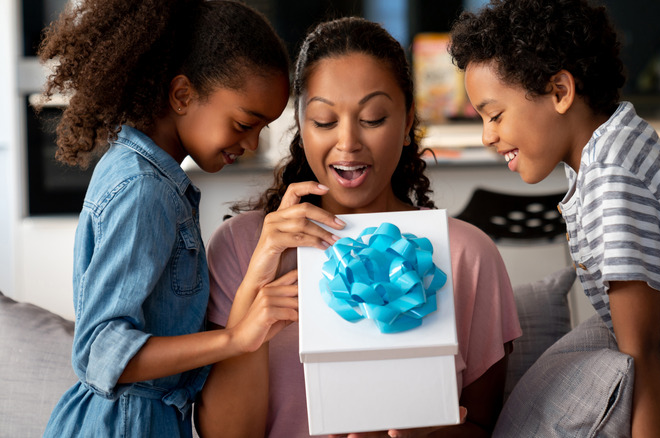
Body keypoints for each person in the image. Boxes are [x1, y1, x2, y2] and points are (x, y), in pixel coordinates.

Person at [448, 0, 660, 437]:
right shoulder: (612, 148)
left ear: (560, 92)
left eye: (495, 115)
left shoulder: (612, 177)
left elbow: (639, 354)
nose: (488, 136)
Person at [197, 16, 522, 438]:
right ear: (302, 127)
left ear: (407, 124)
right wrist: (256, 282)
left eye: (372, 118)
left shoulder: (467, 255)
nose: (348, 142)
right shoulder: (241, 246)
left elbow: (482, 426)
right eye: (325, 121)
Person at [37, 0, 292, 436]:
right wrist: (236, 338)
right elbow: (100, 351)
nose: (251, 144)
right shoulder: (144, 189)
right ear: (182, 95)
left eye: (262, 128)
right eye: (243, 123)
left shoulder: (146, 175)